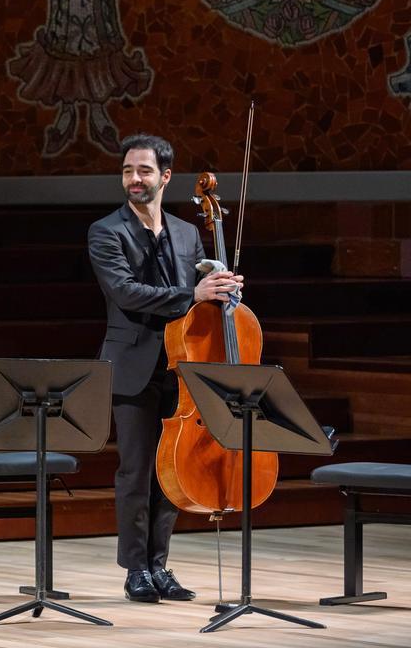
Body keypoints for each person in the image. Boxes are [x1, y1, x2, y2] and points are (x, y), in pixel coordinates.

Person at [87, 133, 244, 603]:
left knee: (172, 469)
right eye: (128, 171)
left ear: (165, 177)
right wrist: (191, 295)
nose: (134, 179)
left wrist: (222, 289)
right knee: (135, 470)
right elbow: (126, 292)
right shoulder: (106, 231)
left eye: (144, 171)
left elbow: (197, 295)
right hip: (133, 364)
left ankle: (160, 564)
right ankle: (135, 567)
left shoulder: (186, 232)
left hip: (183, 365)